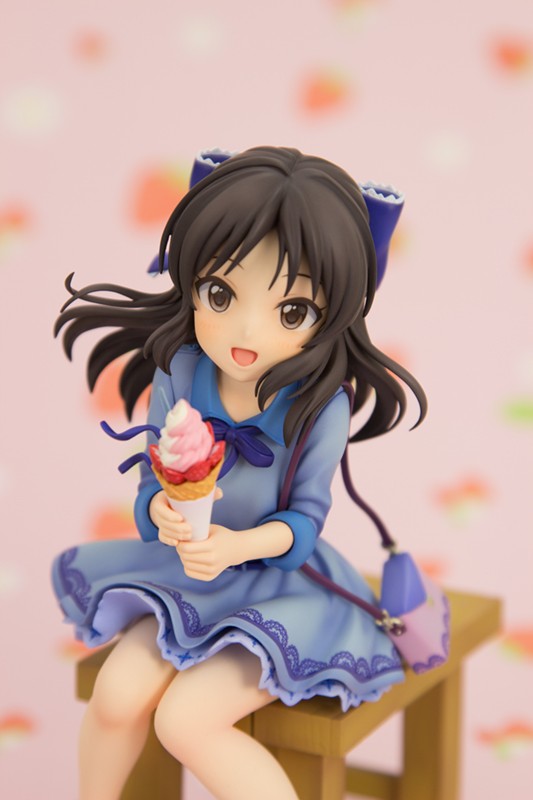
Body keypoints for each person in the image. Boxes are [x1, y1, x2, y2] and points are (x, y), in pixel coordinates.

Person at [52, 146, 426, 800]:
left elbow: (304, 522)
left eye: (292, 311)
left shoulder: (319, 405)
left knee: (186, 723)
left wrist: (237, 545)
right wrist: (163, 513)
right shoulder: (180, 371)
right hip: (185, 574)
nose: (246, 331)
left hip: (277, 585)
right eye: (220, 294)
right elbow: (152, 486)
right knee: (115, 698)